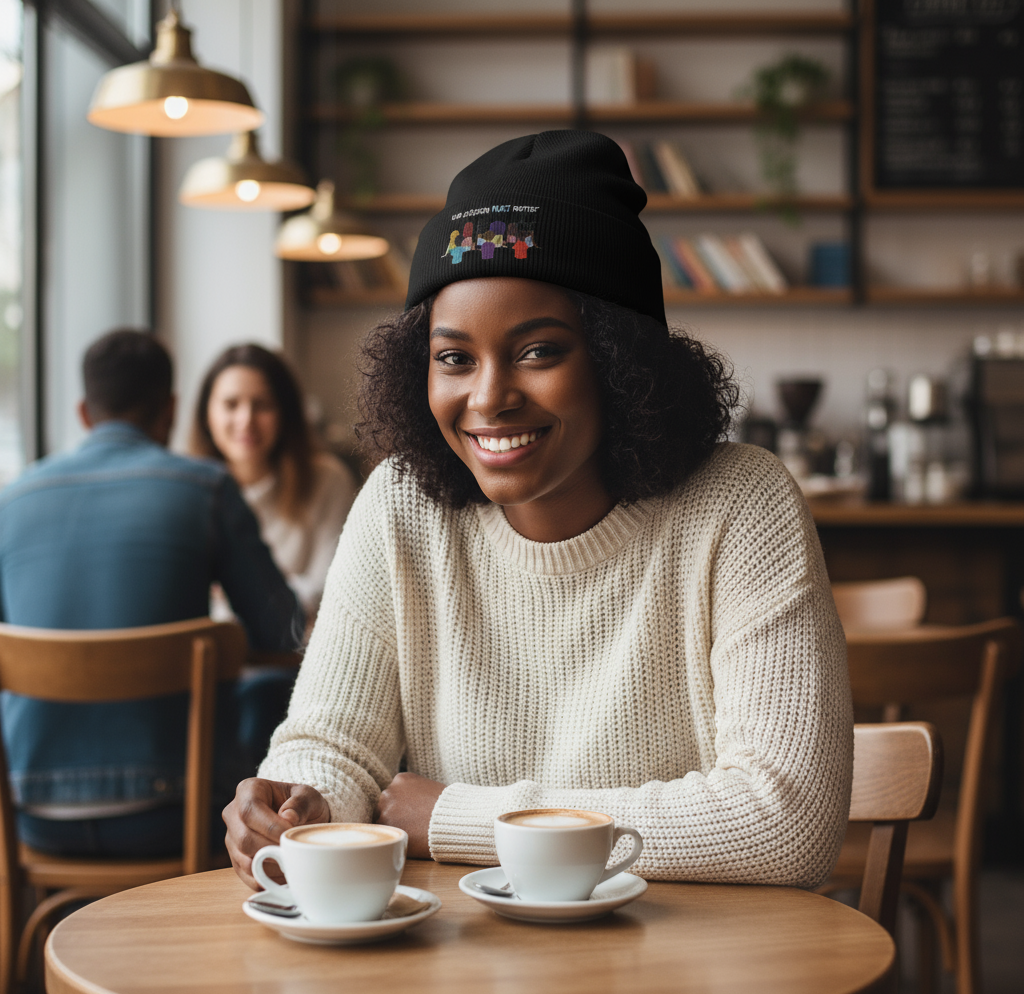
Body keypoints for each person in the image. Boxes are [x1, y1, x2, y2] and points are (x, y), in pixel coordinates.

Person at [224, 130, 852, 889]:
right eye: (454, 358)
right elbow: (334, 738)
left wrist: (461, 819)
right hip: (468, 977)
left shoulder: (740, 503)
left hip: (692, 978)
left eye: (538, 351)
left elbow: (784, 823)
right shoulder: (400, 504)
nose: (488, 399)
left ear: (620, 362)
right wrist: (300, 801)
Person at [0, 330, 303, 857]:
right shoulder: (206, 488)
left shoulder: (11, 501)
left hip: (31, 813)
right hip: (176, 812)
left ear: (83, 413)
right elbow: (282, 631)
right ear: (169, 409)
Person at [191, 344, 358, 619]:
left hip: (295, 657)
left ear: (286, 413)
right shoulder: (189, 490)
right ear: (207, 415)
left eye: (262, 405)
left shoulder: (328, 480)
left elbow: (330, 589)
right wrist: (281, 592)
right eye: (231, 405)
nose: (246, 420)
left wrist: (234, 593)